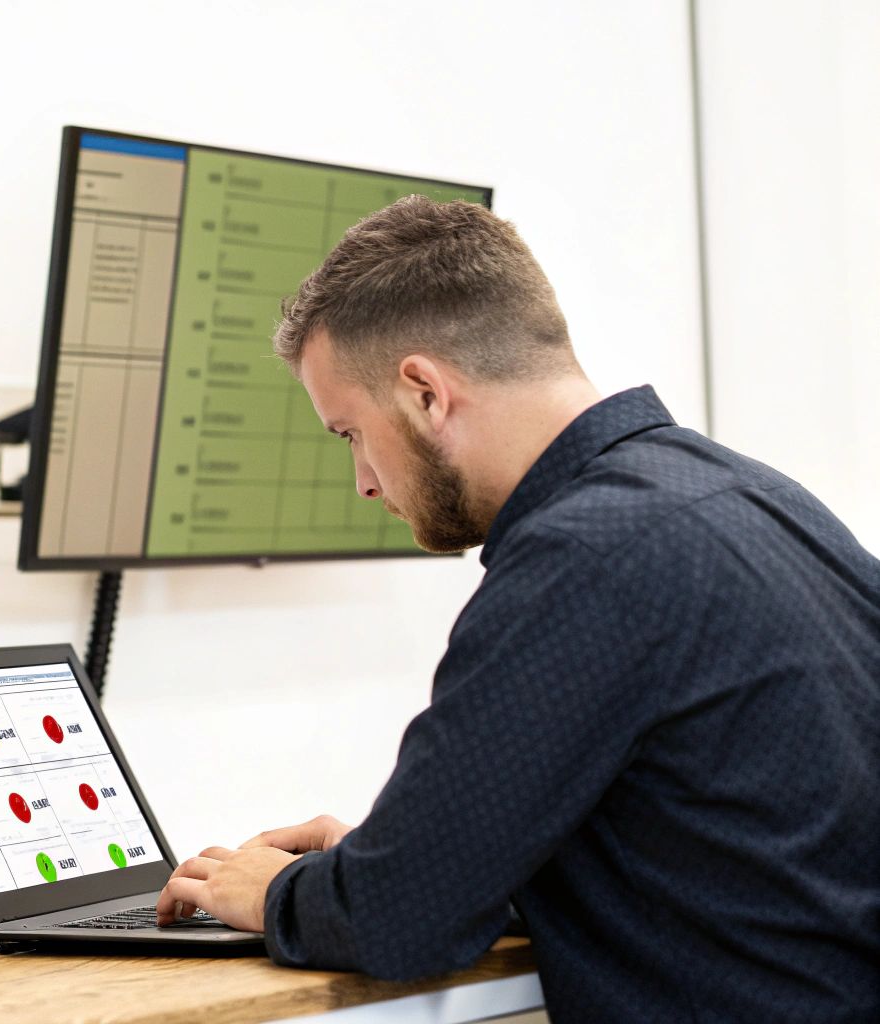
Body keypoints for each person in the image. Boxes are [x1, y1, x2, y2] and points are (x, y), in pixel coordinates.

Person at [153, 196, 880, 1020]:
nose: (361, 481)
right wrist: (386, 861)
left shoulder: (584, 556)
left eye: (348, 433)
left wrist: (280, 889)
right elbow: (719, 836)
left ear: (424, 391)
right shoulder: (765, 500)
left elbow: (397, 922)